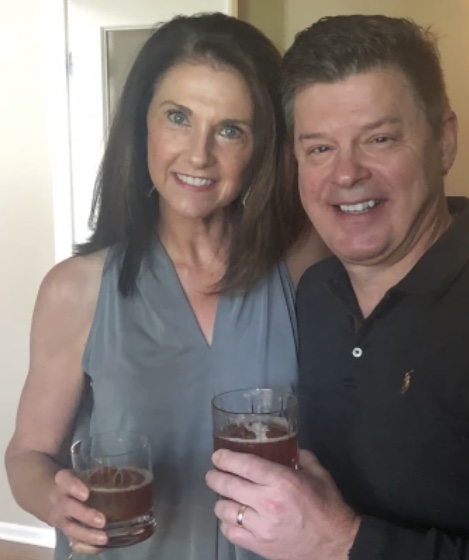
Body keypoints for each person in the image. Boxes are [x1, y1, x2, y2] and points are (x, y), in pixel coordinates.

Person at [205, 14, 469, 560]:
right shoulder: (315, 293)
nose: (347, 174)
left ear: (444, 141)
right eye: (319, 148)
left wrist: (340, 542)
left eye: (380, 139)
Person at [4, 12, 326, 560]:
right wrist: (57, 503)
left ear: (261, 148)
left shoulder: (304, 269)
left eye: (230, 129)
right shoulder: (75, 290)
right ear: (143, 126)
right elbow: (27, 455)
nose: (199, 154)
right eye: (178, 117)